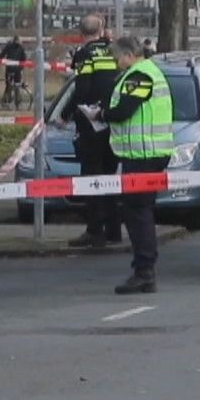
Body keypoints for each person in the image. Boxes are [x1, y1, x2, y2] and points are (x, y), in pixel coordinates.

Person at [78, 36, 174, 294]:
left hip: (144, 155)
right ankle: (145, 269)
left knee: (136, 211)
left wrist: (100, 114)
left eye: (117, 57)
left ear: (130, 54)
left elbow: (124, 111)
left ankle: (144, 271)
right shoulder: (146, 72)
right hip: (147, 153)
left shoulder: (140, 75)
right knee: (140, 210)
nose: (116, 62)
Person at [64, 14, 121, 249]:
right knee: (110, 178)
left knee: (92, 179)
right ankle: (114, 230)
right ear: (102, 30)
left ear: (81, 32)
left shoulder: (85, 54)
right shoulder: (114, 51)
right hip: (114, 121)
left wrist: (65, 114)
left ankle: (94, 230)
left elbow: (82, 89)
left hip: (91, 124)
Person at [0, 35, 27, 108]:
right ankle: (15, 103)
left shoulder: (10, 46)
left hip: (11, 69)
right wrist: (21, 68)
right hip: (16, 69)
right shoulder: (20, 47)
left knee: (9, 85)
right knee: (14, 85)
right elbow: (24, 59)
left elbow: (2, 54)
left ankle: (7, 101)